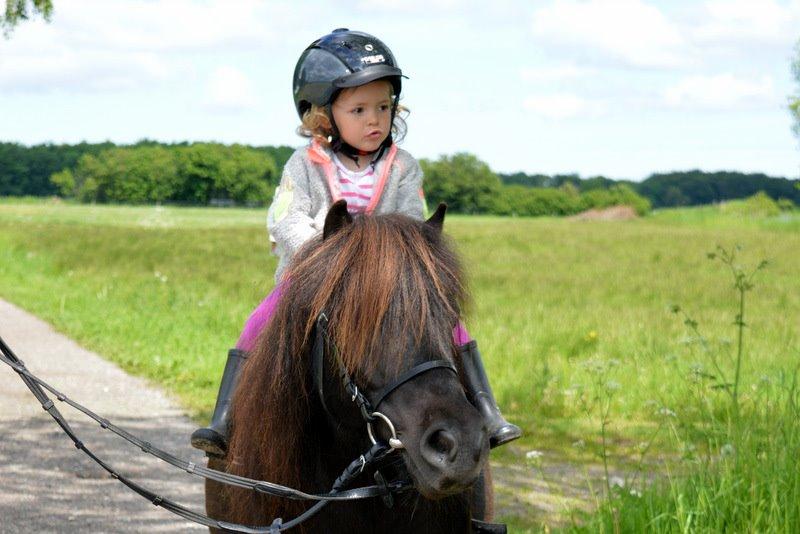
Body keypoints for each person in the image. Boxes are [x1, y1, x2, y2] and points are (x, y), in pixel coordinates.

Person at [191, 28, 520, 457]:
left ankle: (487, 410)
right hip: (314, 280)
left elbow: (410, 225)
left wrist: (387, 260)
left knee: (452, 324)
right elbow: (285, 217)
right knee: (259, 320)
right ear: (324, 115)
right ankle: (225, 418)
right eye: (360, 109)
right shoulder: (305, 164)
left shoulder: (403, 168)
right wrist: (327, 255)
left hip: (386, 283)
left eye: (384, 107)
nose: (375, 120)